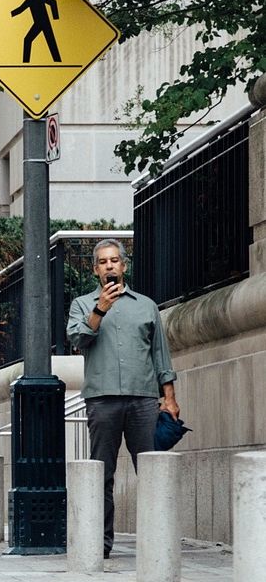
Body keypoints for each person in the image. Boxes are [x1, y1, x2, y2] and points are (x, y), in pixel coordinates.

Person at [67, 239, 179, 559]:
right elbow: (78, 338)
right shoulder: (82, 304)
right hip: (102, 401)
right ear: (95, 269)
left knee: (152, 470)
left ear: (124, 266)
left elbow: (161, 355)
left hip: (143, 399)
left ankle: (158, 538)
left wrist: (168, 398)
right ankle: (101, 542)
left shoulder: (146, 305)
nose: (110, 266)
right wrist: (100, 308)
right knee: (102, 473)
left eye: (115, 260)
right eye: (103, 262)